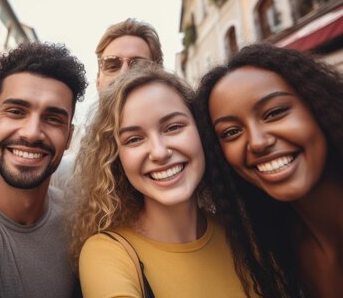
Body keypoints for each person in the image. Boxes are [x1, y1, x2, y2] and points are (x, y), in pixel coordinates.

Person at [195, 43, 343, 298]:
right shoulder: (281, 251)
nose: (257, 142)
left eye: (275, 113)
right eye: (231, 132)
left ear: (320, 107)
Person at [69, 66, 248, 297]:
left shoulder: (243, 236)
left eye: (173, 127)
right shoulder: (108, 253)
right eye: (134, 139)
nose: (160, 152)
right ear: (116, 158)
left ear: (202, 132)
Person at [51, 18, 163, 188]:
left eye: (138, 65)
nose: (124, 74)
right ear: (98, 81)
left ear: (160, 79)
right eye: (112, 65)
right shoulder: (62, 177)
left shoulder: (180, 162)